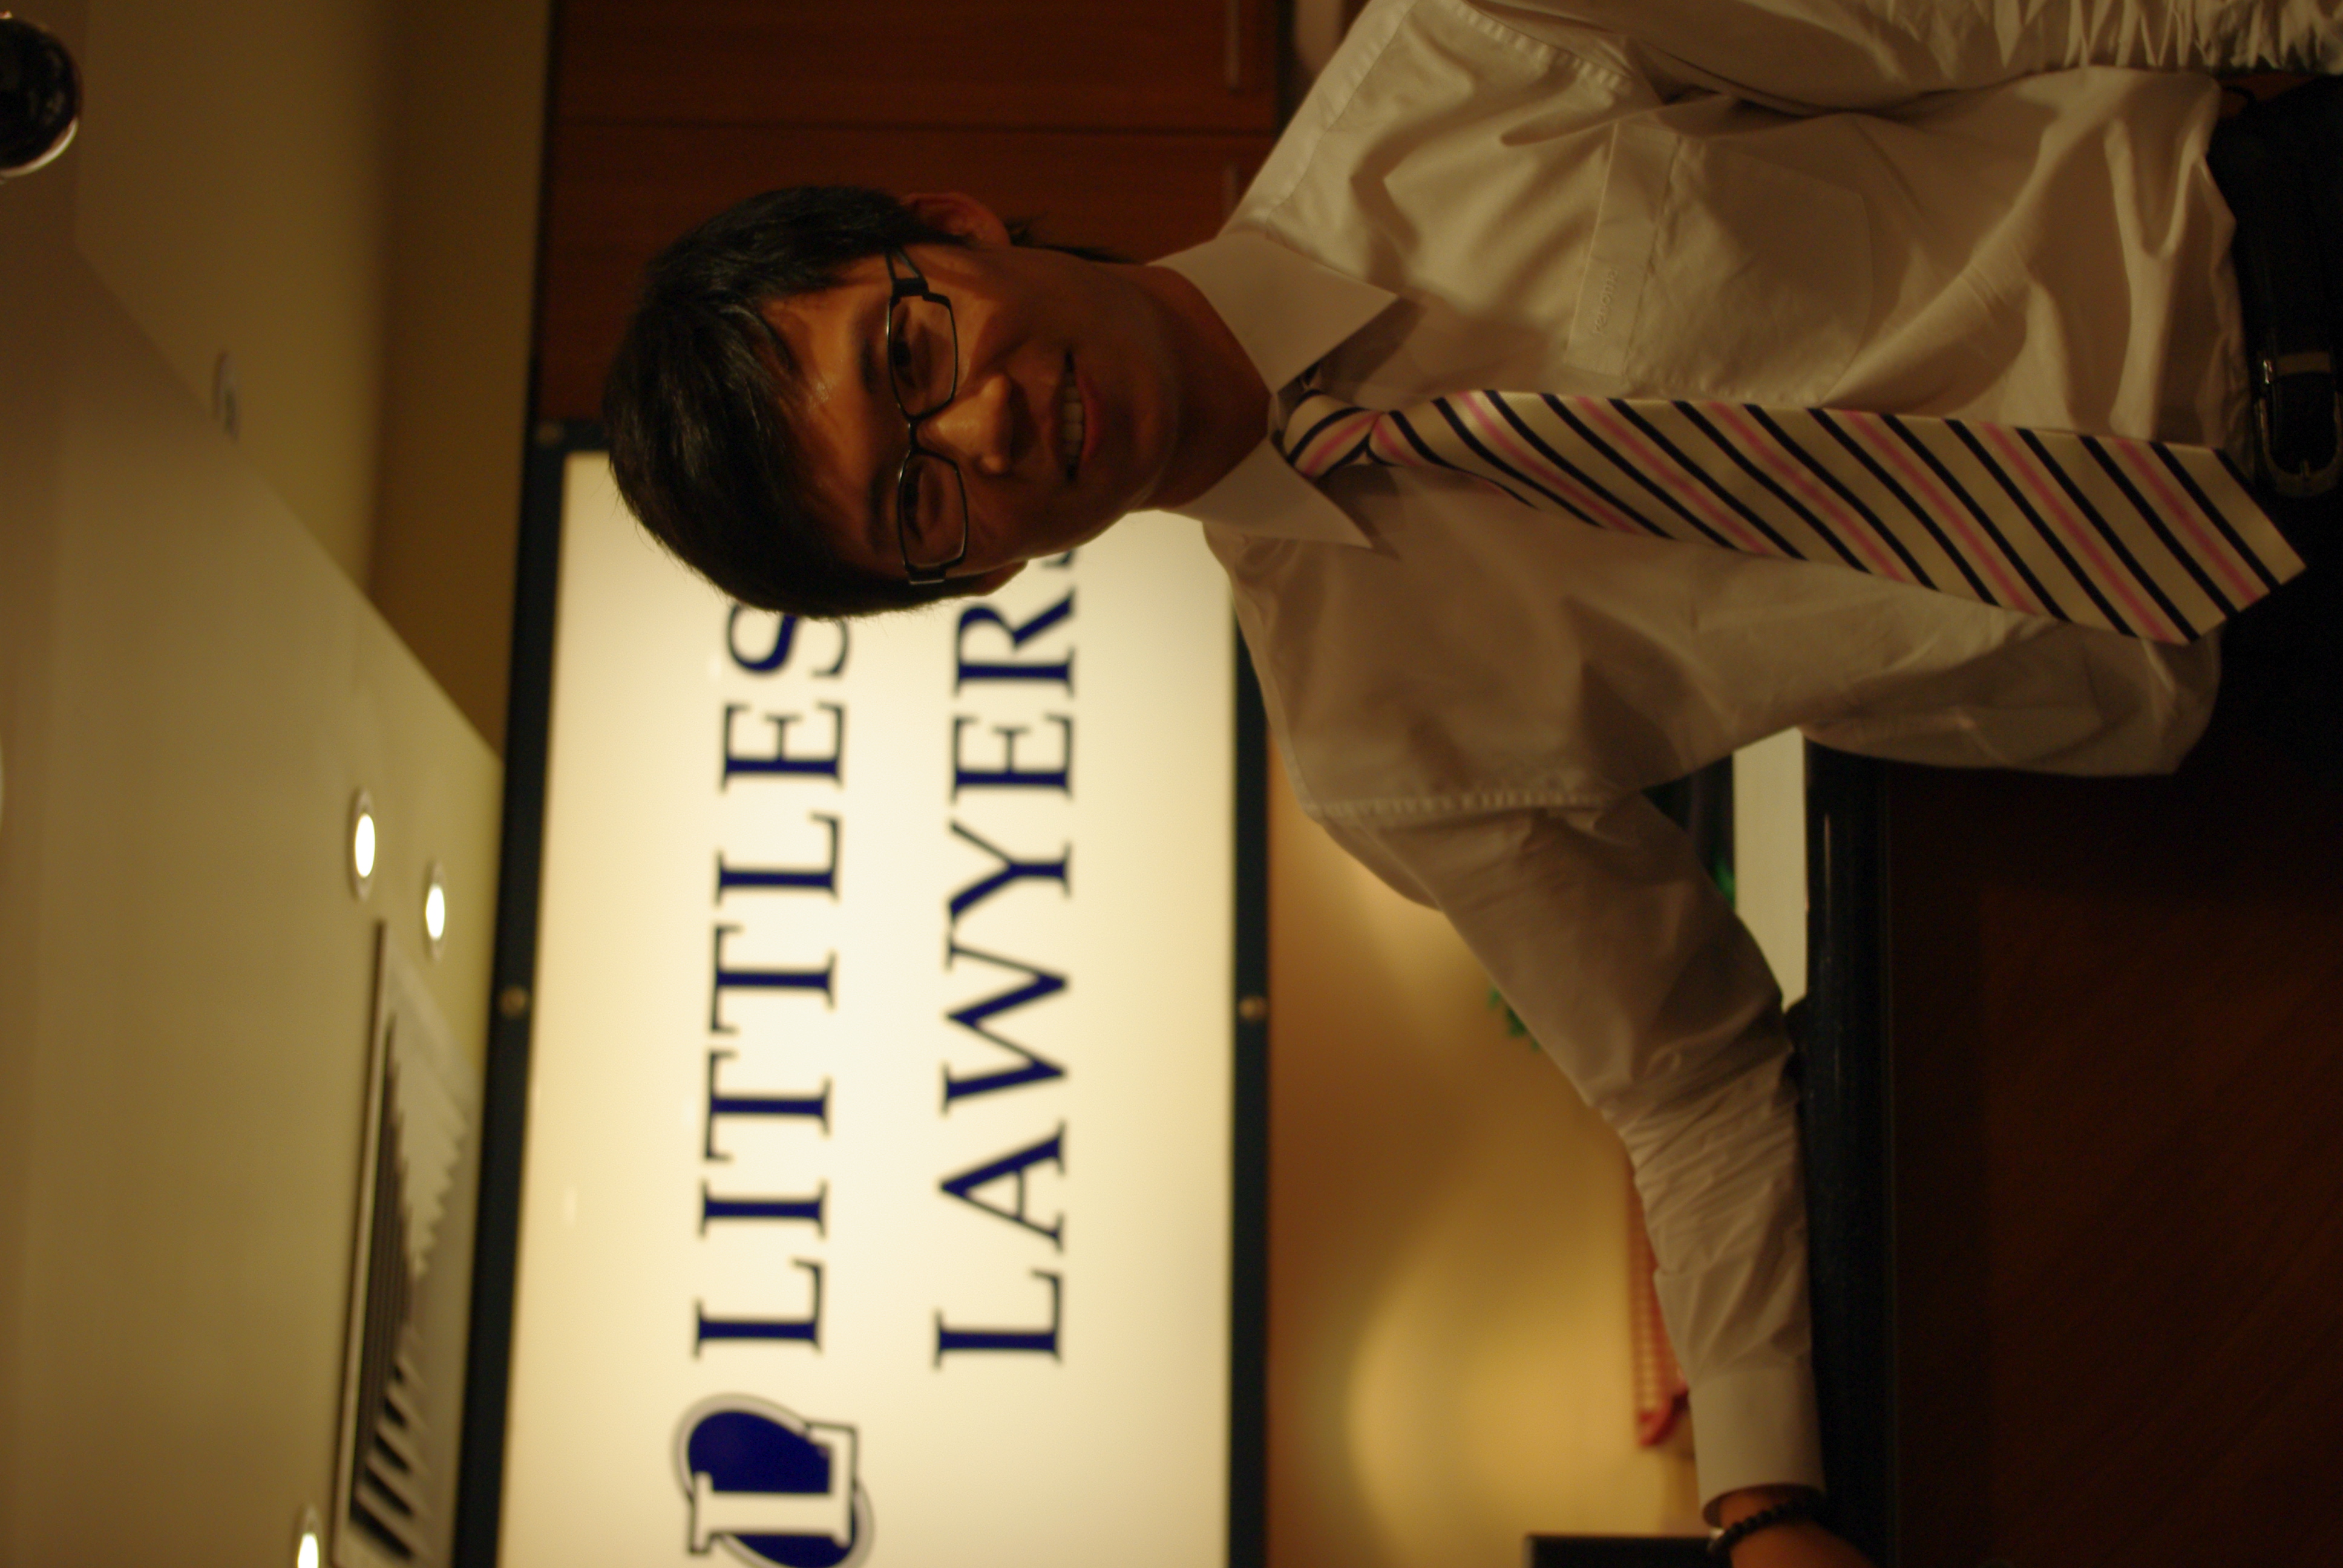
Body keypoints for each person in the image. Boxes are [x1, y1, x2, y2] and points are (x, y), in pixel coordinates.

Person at [600, 3, 2343, 1562]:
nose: (983, 431)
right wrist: (1761, 1503)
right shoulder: (1379, 744)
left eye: (910, 356)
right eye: (920, 501)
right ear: (975, 574)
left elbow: (1984, 21)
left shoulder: (1470, 55)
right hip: (2273, 643)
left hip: (2284, 239)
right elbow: (1686, 1079)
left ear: (952, 229)